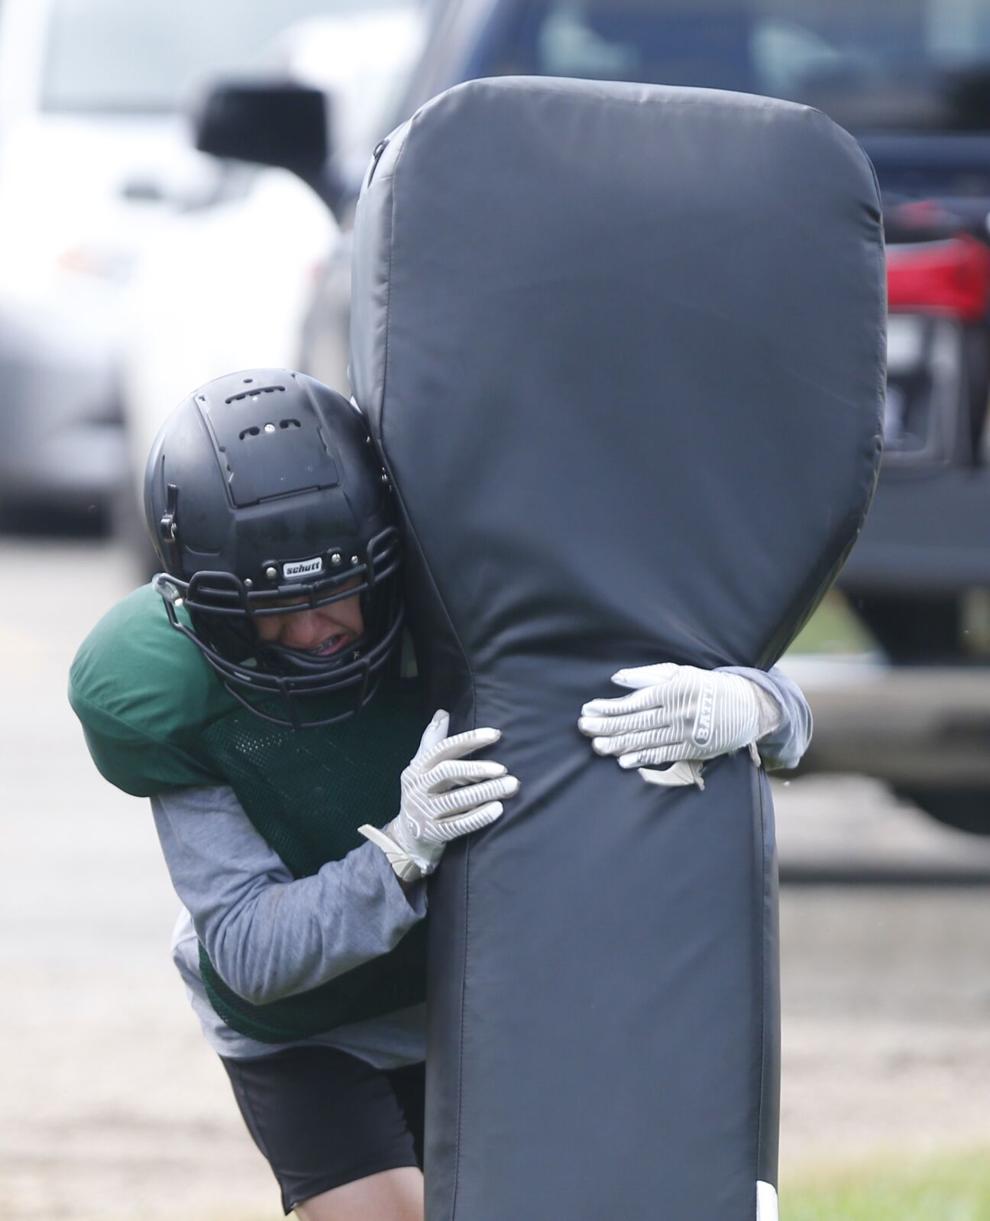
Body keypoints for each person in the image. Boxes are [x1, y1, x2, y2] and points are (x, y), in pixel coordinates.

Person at [69, 369, 811, 1221]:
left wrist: (754, 706)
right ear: (212, 608)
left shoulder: (468, 591)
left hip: (476, 987)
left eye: (334, 588)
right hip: (312, 1027)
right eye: (276, 608)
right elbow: (246, 945)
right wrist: (398, 853)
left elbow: (785, 707)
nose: (317, 630)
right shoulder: (172, 692)